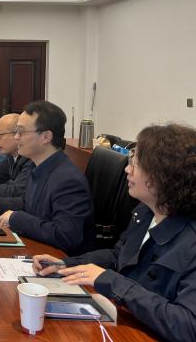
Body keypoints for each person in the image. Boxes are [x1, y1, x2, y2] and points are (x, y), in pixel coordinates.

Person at [33, 124, 196, 342]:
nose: (128, 170)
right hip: (127, 323)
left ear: (165, 175)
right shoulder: (145, 212)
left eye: (136, 164)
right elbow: (118, 256)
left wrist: (113, 283)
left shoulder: (190, 239)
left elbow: (188, 327)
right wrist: (66, 264)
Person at [0, 100, 94, 255]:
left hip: (58, 258)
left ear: (46, 137)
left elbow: (65, 236)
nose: (16, 137)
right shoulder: (39, 166)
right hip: (37, 247)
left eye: (21, 132)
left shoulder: (68, 180)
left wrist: (16, 218)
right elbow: (26, 203)